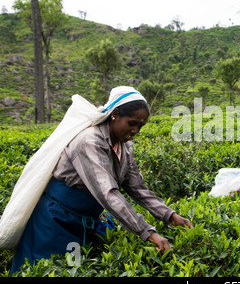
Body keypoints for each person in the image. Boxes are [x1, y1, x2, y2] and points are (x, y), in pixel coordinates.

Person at [10, 86, 193, 273]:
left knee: (74, 270)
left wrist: (169, 215)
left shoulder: (125, 146)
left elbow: (137, 188)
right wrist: (147, 232)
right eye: (132, 123)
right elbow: (107, 193)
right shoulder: (89, 141)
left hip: (84, 221)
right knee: (43, 269)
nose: (136, 130)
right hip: (56, 219)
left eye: (140, 126)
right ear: (114, 114)